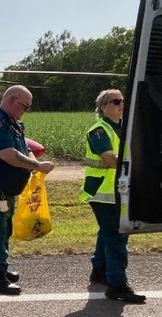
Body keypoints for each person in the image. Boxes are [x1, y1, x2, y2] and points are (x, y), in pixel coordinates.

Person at [0, 85, 54, 295]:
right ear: (11, 100)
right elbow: (8, 154)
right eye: (24, 105)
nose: (25, 109)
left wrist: (36, 164)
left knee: (3, 230)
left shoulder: (14, 125)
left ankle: (1, 267)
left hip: (4, 193)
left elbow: (24, 150)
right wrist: (37, 166)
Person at [80, 89, 146, 304]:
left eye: (123, 101)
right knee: (117, 235)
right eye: (115, 101)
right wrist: (139, 162)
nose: (121, 104)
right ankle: (117, 285)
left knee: (108, 233)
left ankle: (100, 271)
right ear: (103, 107)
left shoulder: (122, 128)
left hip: (117, 191)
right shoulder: (99, 130)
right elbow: (109, 158)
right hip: (103, 193)